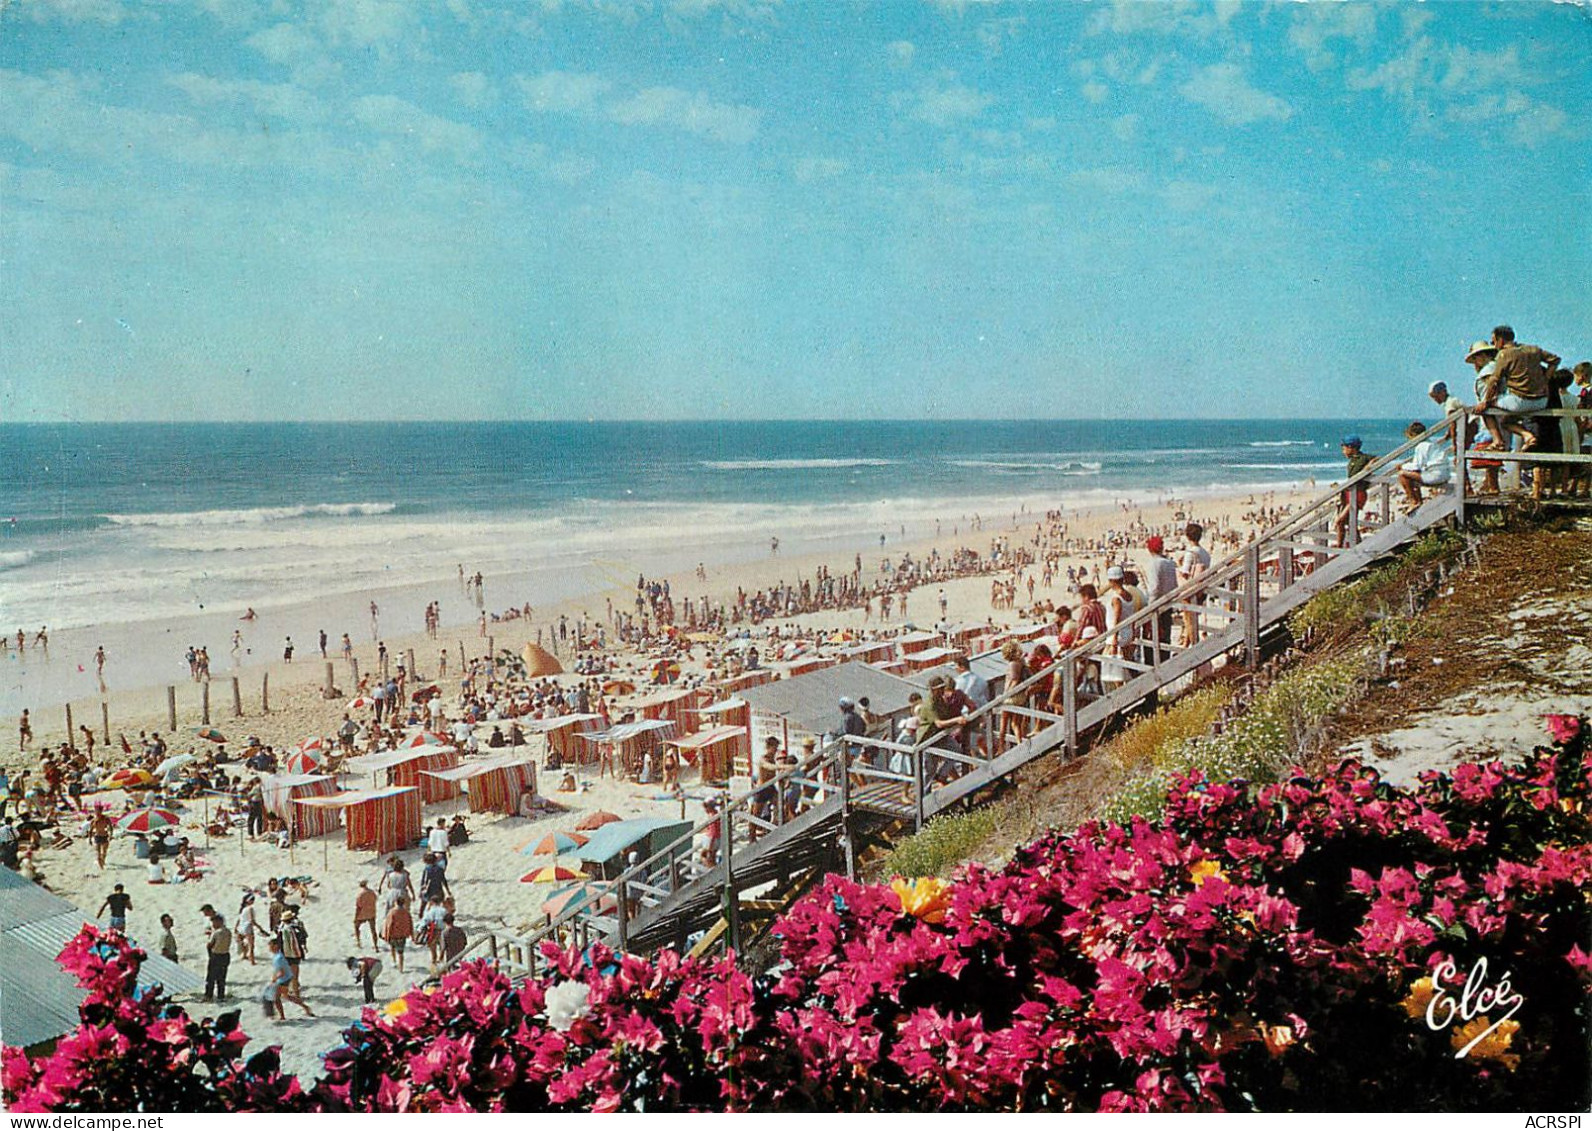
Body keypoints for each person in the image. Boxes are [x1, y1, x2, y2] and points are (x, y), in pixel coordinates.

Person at [1478, 324, 1559, 452]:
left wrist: (1485, 402)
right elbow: (1555, 360)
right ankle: (1528, 436)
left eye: (1493, 341)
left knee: (1486, 410)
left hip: (1519, 402)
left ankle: (1498, 441)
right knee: (1507, 420)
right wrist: (1545, 380)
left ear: (1501, 340)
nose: (1493, 344)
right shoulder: (1533, 349)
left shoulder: (1504, 354)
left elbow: (1494, 381)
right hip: (1541, 402)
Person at [1397, 422, 1452, 509]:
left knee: (1402, 475)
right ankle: (1418, 500)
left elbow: (1417, 466)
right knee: (1412, 474)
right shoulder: (1431, 443)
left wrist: (1402, 466)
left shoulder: (1421, 446)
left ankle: (1414, 500)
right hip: (1444, 474)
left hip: (1435, 476)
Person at [1332, 440, 1375, 547]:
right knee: (1348, 523)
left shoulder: (1363, 458)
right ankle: (1342, 546)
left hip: (1358, 493)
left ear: (1352, 448)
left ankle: (1343, 546)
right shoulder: (1352, 460)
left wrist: (1367, 468)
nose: (1343, 452)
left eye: (1344, 449)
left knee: (1340, 520)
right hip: (1349, 493)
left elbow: (1376, 458)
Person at [1144, 536, 1178, 661]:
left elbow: (1154, 588)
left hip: (1156, 607)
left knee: (1152, 641)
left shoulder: (1154, 564)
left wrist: (1149, 607)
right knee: (1165, 641)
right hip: (1167, 605)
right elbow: (1174, 586)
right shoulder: (1170, 563)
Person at [202, 910, 232, 1002]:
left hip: (216, 955)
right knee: (221, 978)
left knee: (210, 977)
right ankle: (220, 995)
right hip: (225, 955)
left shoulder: (217, 933)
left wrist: (210, 954)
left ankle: (208, 995)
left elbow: (210, 944)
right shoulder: (228, 931)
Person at [382, 895, 414, 974]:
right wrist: (411, 934)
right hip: (402, 935)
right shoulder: (406, 912)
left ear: (396, 902)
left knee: (392, 947)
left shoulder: (392, 912)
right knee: (401, 952)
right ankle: (401, 968)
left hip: (393, 934)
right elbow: (410, 923)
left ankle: (394, 960)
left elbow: (389, 925)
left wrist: (386, 935)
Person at [236, 893, 265, 965]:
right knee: (251, 945)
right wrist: (260, 927)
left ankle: (244, 955)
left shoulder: (243, 909)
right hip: (247, 927)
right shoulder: (250, 908)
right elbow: (252, 920)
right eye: (252, 900)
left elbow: (239, 919)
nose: (253, 901)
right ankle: (252, 961)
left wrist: (236, 927)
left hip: (241, 927)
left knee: (243, 943)